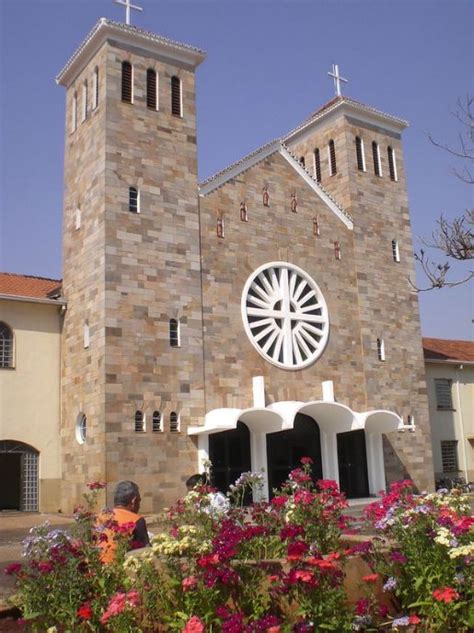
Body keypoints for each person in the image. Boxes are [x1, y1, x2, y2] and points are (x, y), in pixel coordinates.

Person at [98, 480, 150, 563]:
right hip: (119, 570)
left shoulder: (101, 517)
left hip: (96, 569)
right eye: (139, 501)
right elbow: (145, 553)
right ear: (134, 501)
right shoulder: (136, 520)